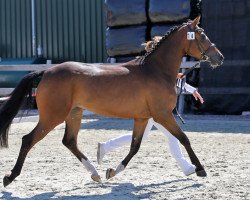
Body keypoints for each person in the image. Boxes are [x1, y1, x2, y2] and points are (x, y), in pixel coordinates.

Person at [97, 37, 204, 176]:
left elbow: (167, 83)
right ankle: (186, 167)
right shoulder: (150, 66)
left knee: (145, 136)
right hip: (153, 108)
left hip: (151, 108)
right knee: (172, 136)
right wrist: (191, 89)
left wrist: (191, 89)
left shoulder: (157, 66)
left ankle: (106, 146)